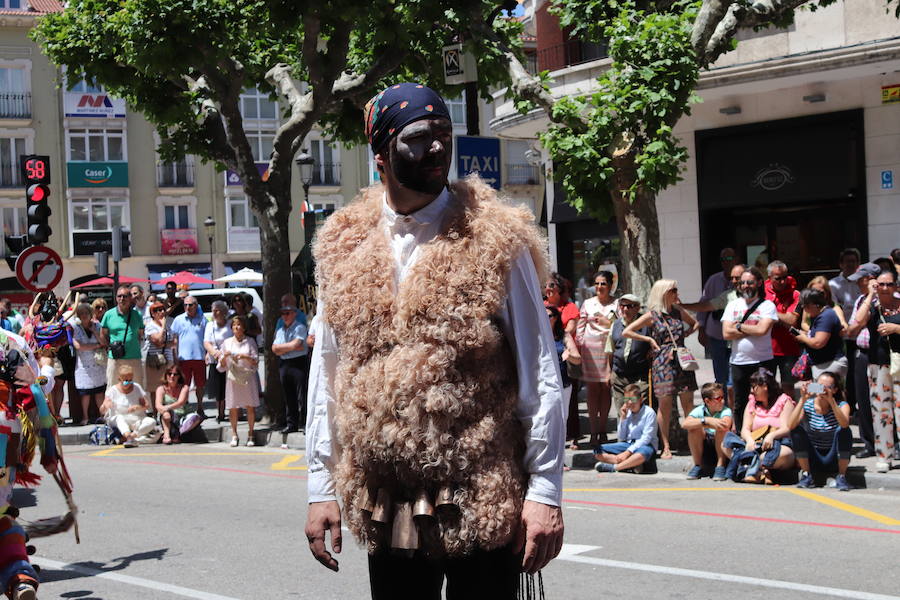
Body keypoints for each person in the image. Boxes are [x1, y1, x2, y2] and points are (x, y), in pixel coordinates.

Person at [305, 82, 564, 595]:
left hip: (483, 490)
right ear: (380, 153)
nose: (439, 148)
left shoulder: (493, 236)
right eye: (420, 138)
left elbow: (540, 370)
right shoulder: (342, 243)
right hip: (385, 497)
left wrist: (546, 492)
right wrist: (321, 485)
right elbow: (328, 374)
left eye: (445, 134)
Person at [623, 279, 698, 460]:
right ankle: (665, 446)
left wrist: (684, 337)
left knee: (688, 403)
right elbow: (627, 331)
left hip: (681, 359)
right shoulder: (652, 315)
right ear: (664, 293)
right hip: (663, 361)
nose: (676, 293)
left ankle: (693, 443)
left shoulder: (678, 311)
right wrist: (649, 340)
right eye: (673, 290)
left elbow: (695, 324)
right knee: (665, 405)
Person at [851, 268, 900, 473]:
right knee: (881, 412)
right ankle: (884, 456)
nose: (885, 288)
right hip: (877, 365)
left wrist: (896, 329)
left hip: (898, 364)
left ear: (896, 286)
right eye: (881, 284)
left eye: (889, 284)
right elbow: (857, 322)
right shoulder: (872, 305)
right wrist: (870, 294)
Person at [722, 267, 778, 432]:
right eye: (742, 282)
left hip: (762, 361)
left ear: (759, 283)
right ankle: (741, 435)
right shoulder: (732, 305)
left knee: (765, 399)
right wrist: (752, 327)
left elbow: (762, 330)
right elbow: (726, 333)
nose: (746, 286)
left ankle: (765, 434)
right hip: (739, 362)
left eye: (750, 282)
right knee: (740, 403)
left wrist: (738, 326)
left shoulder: (767, 305)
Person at [681, 263, 746, 407]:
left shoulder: (758, 297)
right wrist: (683, 306)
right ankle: (727, 412)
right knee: (723, 381)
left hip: (745, 348)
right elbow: (706, 305)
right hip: (720, 339)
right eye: (732, 278)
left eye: (738, 278)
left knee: (737, 382)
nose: (734, 281)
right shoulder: (728, 295)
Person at [722, 369, 795, 484]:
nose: (751, 391)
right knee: (726, 443)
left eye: (754, 387)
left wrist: (772, 436)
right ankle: (761, 470)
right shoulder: (752, 403)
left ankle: (750, 465)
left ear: (765, 386)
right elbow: (746, 428)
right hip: (755, 443)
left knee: (784, 454)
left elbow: (787, 428)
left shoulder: (785, 401)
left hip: (777, 443)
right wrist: (750, 441)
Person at [787, 372, 852, 491]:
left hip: (833, 458)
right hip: (813, 457)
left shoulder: (842, 405)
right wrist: (803, 399)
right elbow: (790, 426)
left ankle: (842, 476)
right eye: (819, 386)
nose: (822, 390)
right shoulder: (808, 405)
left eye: (827, 387)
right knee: (797, 430)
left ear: (835, 390)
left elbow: (844, 424)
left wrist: (831, 402)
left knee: (844, 430)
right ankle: (806, 474)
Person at [843, 263, 882, 458]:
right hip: (862, 354)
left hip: (882, 355)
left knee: (884, 400)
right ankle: (869, 443)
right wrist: (869, 297)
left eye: (862, 279)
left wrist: (876, 296)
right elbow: (855, 326)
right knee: (863, 400)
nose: (858, 283)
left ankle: (891, 442)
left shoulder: (889, 298)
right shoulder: (861, 300)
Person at [575, 270, 618, 446]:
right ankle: (593, 432)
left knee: (606, 388)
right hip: (590, 350)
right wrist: (580, 344)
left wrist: (610, 325)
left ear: (610, 286)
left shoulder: (617, 304)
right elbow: (581, 326)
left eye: (603, 284)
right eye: (597, 283)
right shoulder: (588, 303)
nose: (600, 287)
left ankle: (602, 429)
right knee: (593, 390)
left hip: (610, 350)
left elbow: (621, 326)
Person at [545, 272, 581, 447]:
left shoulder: (570, 307)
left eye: (552, 285)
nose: (548, 289)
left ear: (559, 288)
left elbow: (570, 329)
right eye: (547, 286)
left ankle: (572, 436)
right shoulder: (541, 306)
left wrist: (560, 337)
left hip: (564, 353)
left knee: (569, 403)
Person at [593, 383, 658, 473]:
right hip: (629, 444)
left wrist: (628, 452)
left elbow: (646, 439)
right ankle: (629, 464)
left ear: (641, 399)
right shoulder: (628, 412)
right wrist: (623, 418)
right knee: (598, 450)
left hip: (645, 445)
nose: (630, 403)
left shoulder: (649, 413)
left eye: (633, 399)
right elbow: (622, 437)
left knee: (642, 454)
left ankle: (615, 467)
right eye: (627, 400)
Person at [696, 248, 738, 387]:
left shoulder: (743, 279)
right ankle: (723, 403)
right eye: (723, 260)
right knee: (720, 375)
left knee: (734, 374)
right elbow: (704, 304)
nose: (726, 263)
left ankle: (735, 405)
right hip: (716, 333)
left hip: (736, 334)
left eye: (730, 259)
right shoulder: (713, 280)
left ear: (736, 259)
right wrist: (701, 329)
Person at [605, 294, 650, 419]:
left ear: (637, 308)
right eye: (622, 306)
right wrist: (609, 373)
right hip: (619, 376)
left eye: (629, 306)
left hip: (639, 376)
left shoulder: (646, 324)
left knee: (639, 411)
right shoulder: (615, 325)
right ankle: (624, 437)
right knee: (622, 412)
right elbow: (610, 350)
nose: (625, 309)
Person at [218, 315, 258, 447]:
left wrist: (245, 356)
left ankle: (251, 433)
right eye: (234, 325)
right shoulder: (227, 342)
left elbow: (255, 360)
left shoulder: (250, 341)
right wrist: (225, 356)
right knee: (233, 406)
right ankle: (234, 434)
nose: (237, 327)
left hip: (247, 377)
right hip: (233, 377)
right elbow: (221, 365)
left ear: (244, 327)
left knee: (250, 406)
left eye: (239, 324)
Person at [764, 261, 801, 397]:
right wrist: (782, 317)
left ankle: (791, 416)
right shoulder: (762, 291)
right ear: (769, 277)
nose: (782, 281)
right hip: (766, 348)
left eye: (784, 277)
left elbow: (792, 321)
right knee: (767, 386)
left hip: (788, 348)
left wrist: (770, 312)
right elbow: (759, 317)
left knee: (788, 387)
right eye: (777, 278)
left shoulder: (795, 294)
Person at [548, 304, 579, 464]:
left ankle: (561, 459)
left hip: (563, 384)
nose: (547, 320)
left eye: (550, 317)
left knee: (562, 419)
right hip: (545, 385)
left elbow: (577, 358)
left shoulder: (564, 335)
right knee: (548, 420)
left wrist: (569, 355)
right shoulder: (539, 334)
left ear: (556, 319)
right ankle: (550, 456)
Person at [682, 382, 733, 480]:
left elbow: (726, 424)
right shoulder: (699, 410)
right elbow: (685, 424)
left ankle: (720, 466)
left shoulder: (726, 411)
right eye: (718, 398)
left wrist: (712, 424)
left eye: (723, 397)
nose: (722, 401)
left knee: (721, 429)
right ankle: (697, 465)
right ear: (707, 401)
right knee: (693, 429)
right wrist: (707, 420)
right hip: (704, 447)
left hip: (722, 448)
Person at [793, 288, 847, 379]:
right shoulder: (819, 316)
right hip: (821, 365)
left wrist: (803, 338)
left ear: (816, 305)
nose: (804, 308)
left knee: (823, 391)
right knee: (813, 391)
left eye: (806, 305)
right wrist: (806, 335)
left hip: (829, 365)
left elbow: (818, 343)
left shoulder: (826, 316)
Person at [272, 304, 309, 434]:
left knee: (301, 395)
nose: (285, 316)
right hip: (284, 363)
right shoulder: (281, 330)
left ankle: (304, 423)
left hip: (298, 363)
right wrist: (290, 347)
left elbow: (298, 344)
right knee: (288, 396)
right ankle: (291, 424)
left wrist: (283, 348)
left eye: (287, 313)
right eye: (283, 314)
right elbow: (274, 348)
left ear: (294, 314)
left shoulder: (300, 327)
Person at [100, 285, 145, 392]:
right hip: (115, 359)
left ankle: (136, 409)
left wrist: (131, 345)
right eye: (119, 296)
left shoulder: (137, 315)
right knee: (113, 388)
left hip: (134, 357)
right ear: (116, 298)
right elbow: (103, 334)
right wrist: (110, 347)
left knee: (137, 389)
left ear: (130, 298)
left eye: (125, 296)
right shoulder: (109, 315)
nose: (122, 299)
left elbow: (140, 334)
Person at [100, 364, 154, 447]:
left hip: (135, 419)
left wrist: (137, 407)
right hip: (119, 419)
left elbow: (147, 405)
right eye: (126, 380)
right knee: (119, 418)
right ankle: (129, 436)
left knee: (151, 422)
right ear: (119, 379)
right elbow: (102, 410)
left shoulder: (137, 387)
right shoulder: (112, 391)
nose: (128, 383)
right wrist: (105, 406)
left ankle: (130, 437)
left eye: (130, 380)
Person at [71, 302, 107, 426]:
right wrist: (96, 345)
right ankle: (85, 417)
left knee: (99, 392)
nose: (84, 316)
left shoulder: (97, 326)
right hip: (83, 366)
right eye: (81, 314)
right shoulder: (75, 328)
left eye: (86, 313)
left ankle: (102, 415)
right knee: (85, 393)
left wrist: (95, 332)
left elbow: (104, 342)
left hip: (98, 364)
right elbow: (79, 346)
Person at [171, 295, 207, 413]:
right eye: (185, 304)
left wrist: (207, 354)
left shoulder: (203, 319)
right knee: (183, 384)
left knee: (200, 384)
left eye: (190, 305)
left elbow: (207, 339)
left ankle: (200, 407)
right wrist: (175, 356)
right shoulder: (178, 319)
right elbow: (174, 340)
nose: (187, 307)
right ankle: (184, 407)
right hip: (183, 358)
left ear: (196, 305)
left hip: (199, 357)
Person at [203, 300, 233, 423]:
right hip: (215, 359)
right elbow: (206, 342)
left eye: (217, 310)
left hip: (228, 360)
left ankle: (232, 411)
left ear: (224, 312)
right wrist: (215, 353)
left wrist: (225, 354)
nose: (214, 313)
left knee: (229, 386)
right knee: (217, 388)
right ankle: (220, 413)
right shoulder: (210, 325)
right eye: (213, 310)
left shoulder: (230, 324)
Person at [143, 301, 174, 407]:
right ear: (152, 314)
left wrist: (163, 344)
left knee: (168, 386)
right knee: (155, 388)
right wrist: (163, 326)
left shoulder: (169, 325)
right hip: (155, 361)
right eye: (157, 310)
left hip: (168, 359)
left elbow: (174, 342)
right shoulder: (150, 326)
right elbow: (157, 341)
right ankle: (157, 412)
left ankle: (167, 411)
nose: (161, 312)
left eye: (162, 309)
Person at [155, 364, 189, 444]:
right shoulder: (161, 389)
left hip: (181, 414)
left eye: (175, 374)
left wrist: (167, 407)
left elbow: (180, 403)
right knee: (166, 414)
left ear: (179, 376)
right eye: (169, 374)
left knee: (195, 418)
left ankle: (177, 433)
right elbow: (158, 405)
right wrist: (165, 410)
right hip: (166, 416)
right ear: (166, 376)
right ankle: (167, 435)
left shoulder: (184, 388)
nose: (172, 376)